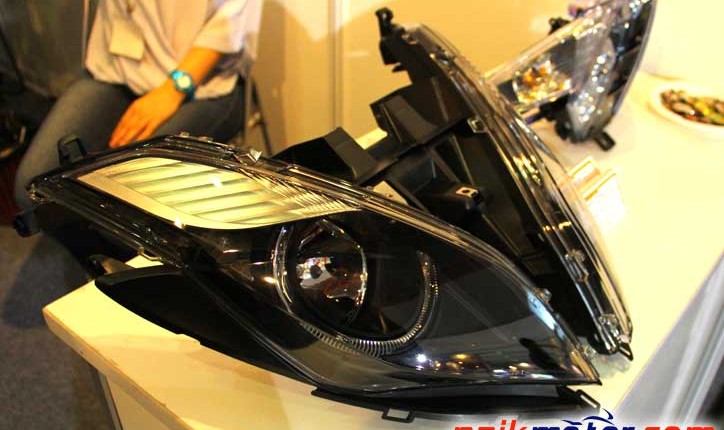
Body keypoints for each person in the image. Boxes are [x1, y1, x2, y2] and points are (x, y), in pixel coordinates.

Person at [14, 0, 263, 210]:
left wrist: (173, 90)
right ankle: (96, 247)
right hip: (117, 71)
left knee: (128, 199)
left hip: (204, 85)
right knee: (35, 187)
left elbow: (229, 22)